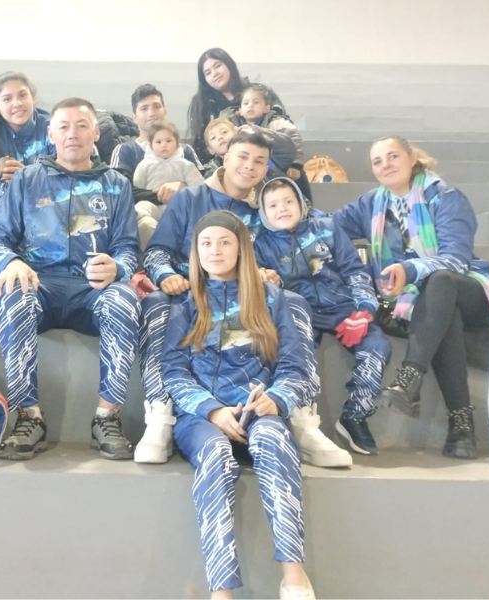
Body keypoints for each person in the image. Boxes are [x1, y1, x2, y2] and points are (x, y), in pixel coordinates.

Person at [140, 127, 352, 468]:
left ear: (266, 167)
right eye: (243, 156)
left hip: (243, 298)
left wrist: (271, 275)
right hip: (189, 295)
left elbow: (280, 254)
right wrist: (167, 276)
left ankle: (301, 418)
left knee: (293, 300)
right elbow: (156, 253)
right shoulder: (189, 198)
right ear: (226, 157)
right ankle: (160, 416)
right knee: (156, 304)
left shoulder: (264, 208)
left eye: (259, 161)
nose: (249, 166)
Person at [163, 210, 315, 599]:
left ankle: (294, 579)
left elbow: (294, 368)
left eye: (224, 242)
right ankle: (222, 592)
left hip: (256, 413)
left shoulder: (271, 298)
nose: (214, 250)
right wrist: (211, 410)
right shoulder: (186, 302)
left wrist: (275, 399)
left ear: (241, 248)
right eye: (206, 243)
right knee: (215, 452)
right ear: (196, 251)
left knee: (272, 439)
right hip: (202, 419)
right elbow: (174, 373)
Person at [0, 98, 141, 461]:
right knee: (13, 292)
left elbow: (128, 248)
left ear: (96, 133)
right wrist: (10, 261)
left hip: (93, 290)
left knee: (124, 298)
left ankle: (107, 417)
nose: (73, 134)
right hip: (41, 284)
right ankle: (29, 417)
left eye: (82, 126)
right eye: (64, 127)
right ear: (51, 134)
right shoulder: (27, 180)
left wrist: (118, 268)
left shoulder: (116, 184)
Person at [333, 136, 489, 460]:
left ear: (412, 159)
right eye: (377, 161)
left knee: (440, 281)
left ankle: (410, 376)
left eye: (393, 156)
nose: (386, 165)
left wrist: (409, 270)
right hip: (418, 305)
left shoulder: (447, 197)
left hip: (468, 290)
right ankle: (461, 430)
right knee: (444, 315)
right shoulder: (371, 204)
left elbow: (456, 260)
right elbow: (327, 225)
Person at [255, 177, 391, 455]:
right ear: (264, 212)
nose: (282, 209)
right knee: (296, 354)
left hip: (343, 308)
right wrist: (268, 282)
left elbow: (354, 269)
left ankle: (355, 415)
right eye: (273, 205)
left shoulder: (328, 227)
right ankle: (300, 420)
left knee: (377, 345)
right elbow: (261, 286)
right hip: (299, 311)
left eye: (288, 201)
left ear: (301, 203)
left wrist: (365, 310)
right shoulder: (260, 245)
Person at [0, 72, 55, 326]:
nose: (17, 103)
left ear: (33, 98)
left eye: (22, 95)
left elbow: (64, 179)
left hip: (50, 200)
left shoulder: (51, 125)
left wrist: (26, 178)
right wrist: (18, 190)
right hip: (5, 202)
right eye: (7, 99)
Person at [110, 84, 203, 208]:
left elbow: (204, 189)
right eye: (144, 108)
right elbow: (120, 190)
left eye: (157, 107)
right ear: (134, 118)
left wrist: (182, 187)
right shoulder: (124, 150)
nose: (151, 113)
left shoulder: (186, 150)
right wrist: (170, 194)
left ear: (165, 112)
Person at [187, 48, 286, 162]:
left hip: (271, 159)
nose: (214, 73)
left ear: (229, 65)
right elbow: (201, 148)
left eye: (217, 66)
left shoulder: (260, 92)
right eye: (208, 73)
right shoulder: (201, 104)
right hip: (224, 165)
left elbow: (284, 129)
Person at [223, 84, 313, 201]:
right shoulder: (233, 127)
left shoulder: (277, 123)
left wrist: (295, 165)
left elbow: (294, 139)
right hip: (250, 171)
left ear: (266, 108)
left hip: (279, 168)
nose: (250, 106)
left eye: (256, 102)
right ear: (240, 111)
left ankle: (303, 204)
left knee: (296, 183)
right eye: (246, 103)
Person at [133, 120, 204, 251]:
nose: (164, 145)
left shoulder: (186, 165)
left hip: (180, 210)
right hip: (155, 208)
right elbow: (137, 188)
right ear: (151, 145)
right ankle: (157, 247)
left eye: (168, 141)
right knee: (142, 206)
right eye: (158, 142)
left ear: (177, 143)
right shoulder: (144, 165)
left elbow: (200, 188)